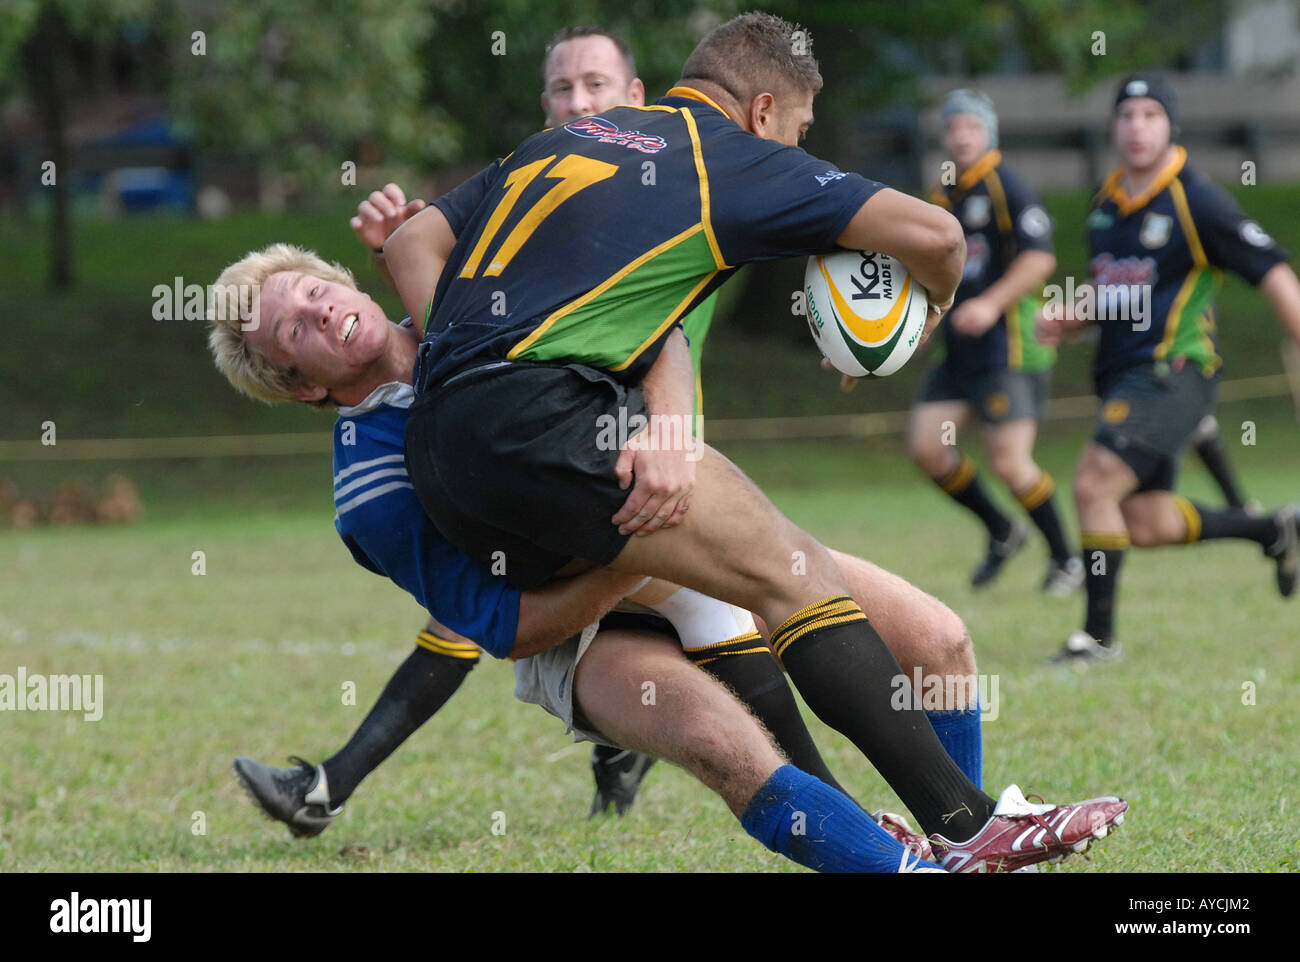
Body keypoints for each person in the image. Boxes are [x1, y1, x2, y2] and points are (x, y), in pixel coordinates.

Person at [385, 11, 1127, 868]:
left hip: (443, 452)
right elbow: (939, 235)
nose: (799, 150)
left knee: (736, 599)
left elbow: (412, 240)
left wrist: (469, 360)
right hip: (546, 423)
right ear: (764, 107)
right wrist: (922, 316)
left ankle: (898, 837)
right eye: (802, 132)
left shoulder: (563, 142)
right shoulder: (722, 155)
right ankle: (967, 824)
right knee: (792, 574)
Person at [209, 241, 1123, 872]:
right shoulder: (368, 493)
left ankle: (963, 837)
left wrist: (673, 440)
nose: (321, 312)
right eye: (294, 328)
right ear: (302, 387)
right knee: (721, 745)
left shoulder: (475, 308)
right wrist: (632, 551)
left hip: (674, 513)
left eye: (318, 289)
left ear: (356, 285)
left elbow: (663, 330)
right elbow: (509, 629)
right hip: (585, 621)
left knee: (939, 640)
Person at [1036, 72, 1300, 662]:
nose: (1136, 127)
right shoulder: (1106, 204)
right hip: (1122, 374)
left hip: (1176, 371)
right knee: (1141, 520)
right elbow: (1121, 292)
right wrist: (1072, 317)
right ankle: (1271, 530)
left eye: (1151, 115)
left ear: (1170, 126)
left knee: (1093, 481)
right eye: (1126, 116)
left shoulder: (1195, 199)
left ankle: (1097, 641)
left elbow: (1273, 270)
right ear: (1113, 127)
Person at [906, 90, 1080, 595]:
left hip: (1010, 348)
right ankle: (1003, 530)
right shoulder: (942, 193)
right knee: (926, 448)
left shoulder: (1009, 186)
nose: (961, 136)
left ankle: (1067, 559)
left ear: (989, 134)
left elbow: (1039, 259)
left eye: (972, 127)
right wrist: (913, 329)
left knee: (1009, 462)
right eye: (954, 127)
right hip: (958, 353)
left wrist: (991, 303)